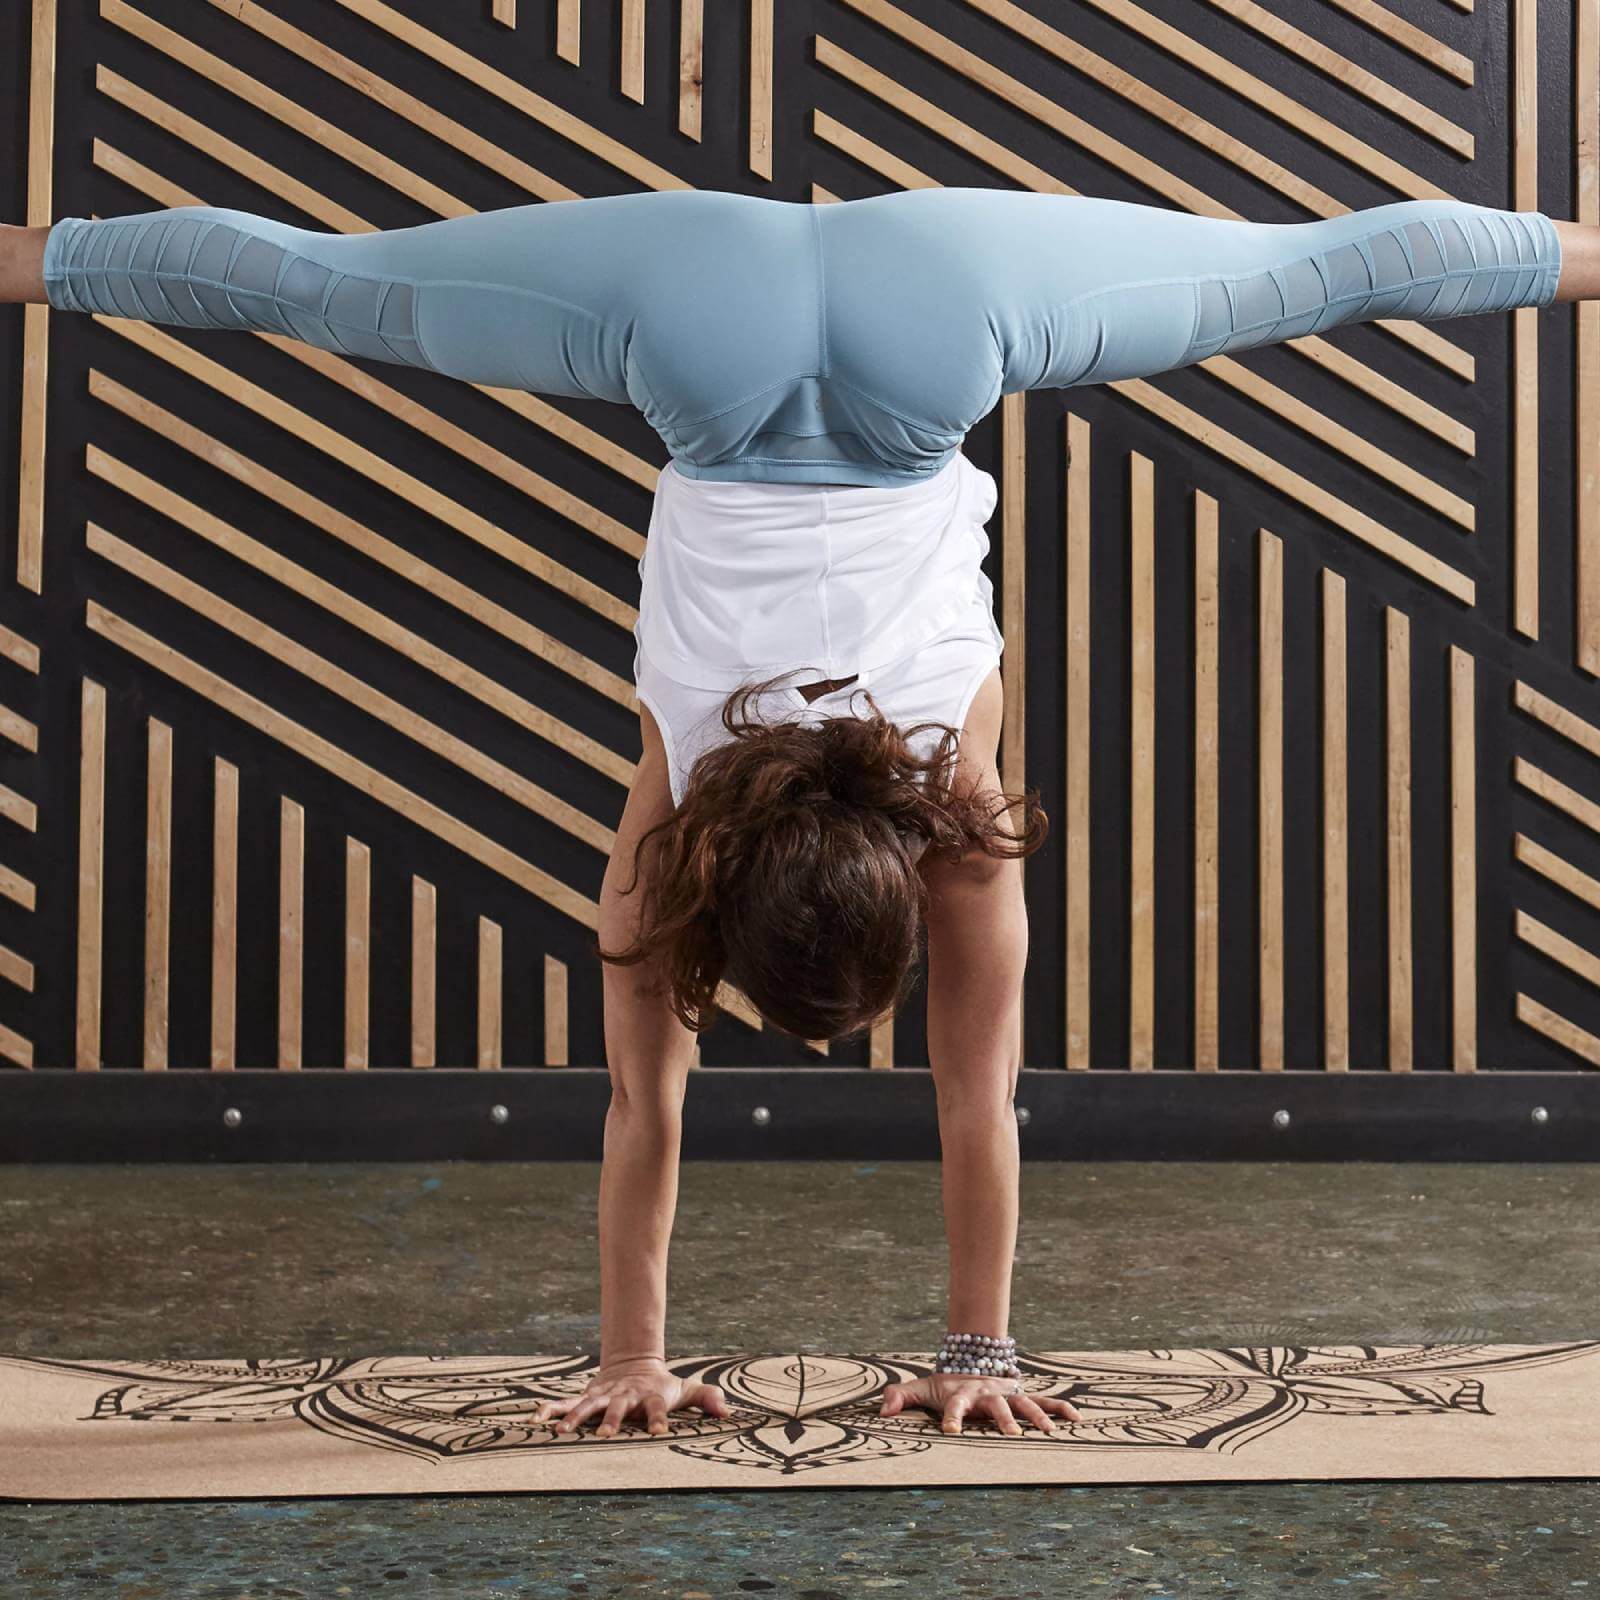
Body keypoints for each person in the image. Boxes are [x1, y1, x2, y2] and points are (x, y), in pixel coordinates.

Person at [2, 188, 1582, 1440]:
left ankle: (30, 255)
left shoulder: (961, 823)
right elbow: (650, 1115)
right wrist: (640, 1358)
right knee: (322, 288)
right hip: (701, 338)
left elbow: (974, 1106)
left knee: (1309, 277)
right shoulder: (674, 827)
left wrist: (961, 1353)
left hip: (934, 335)